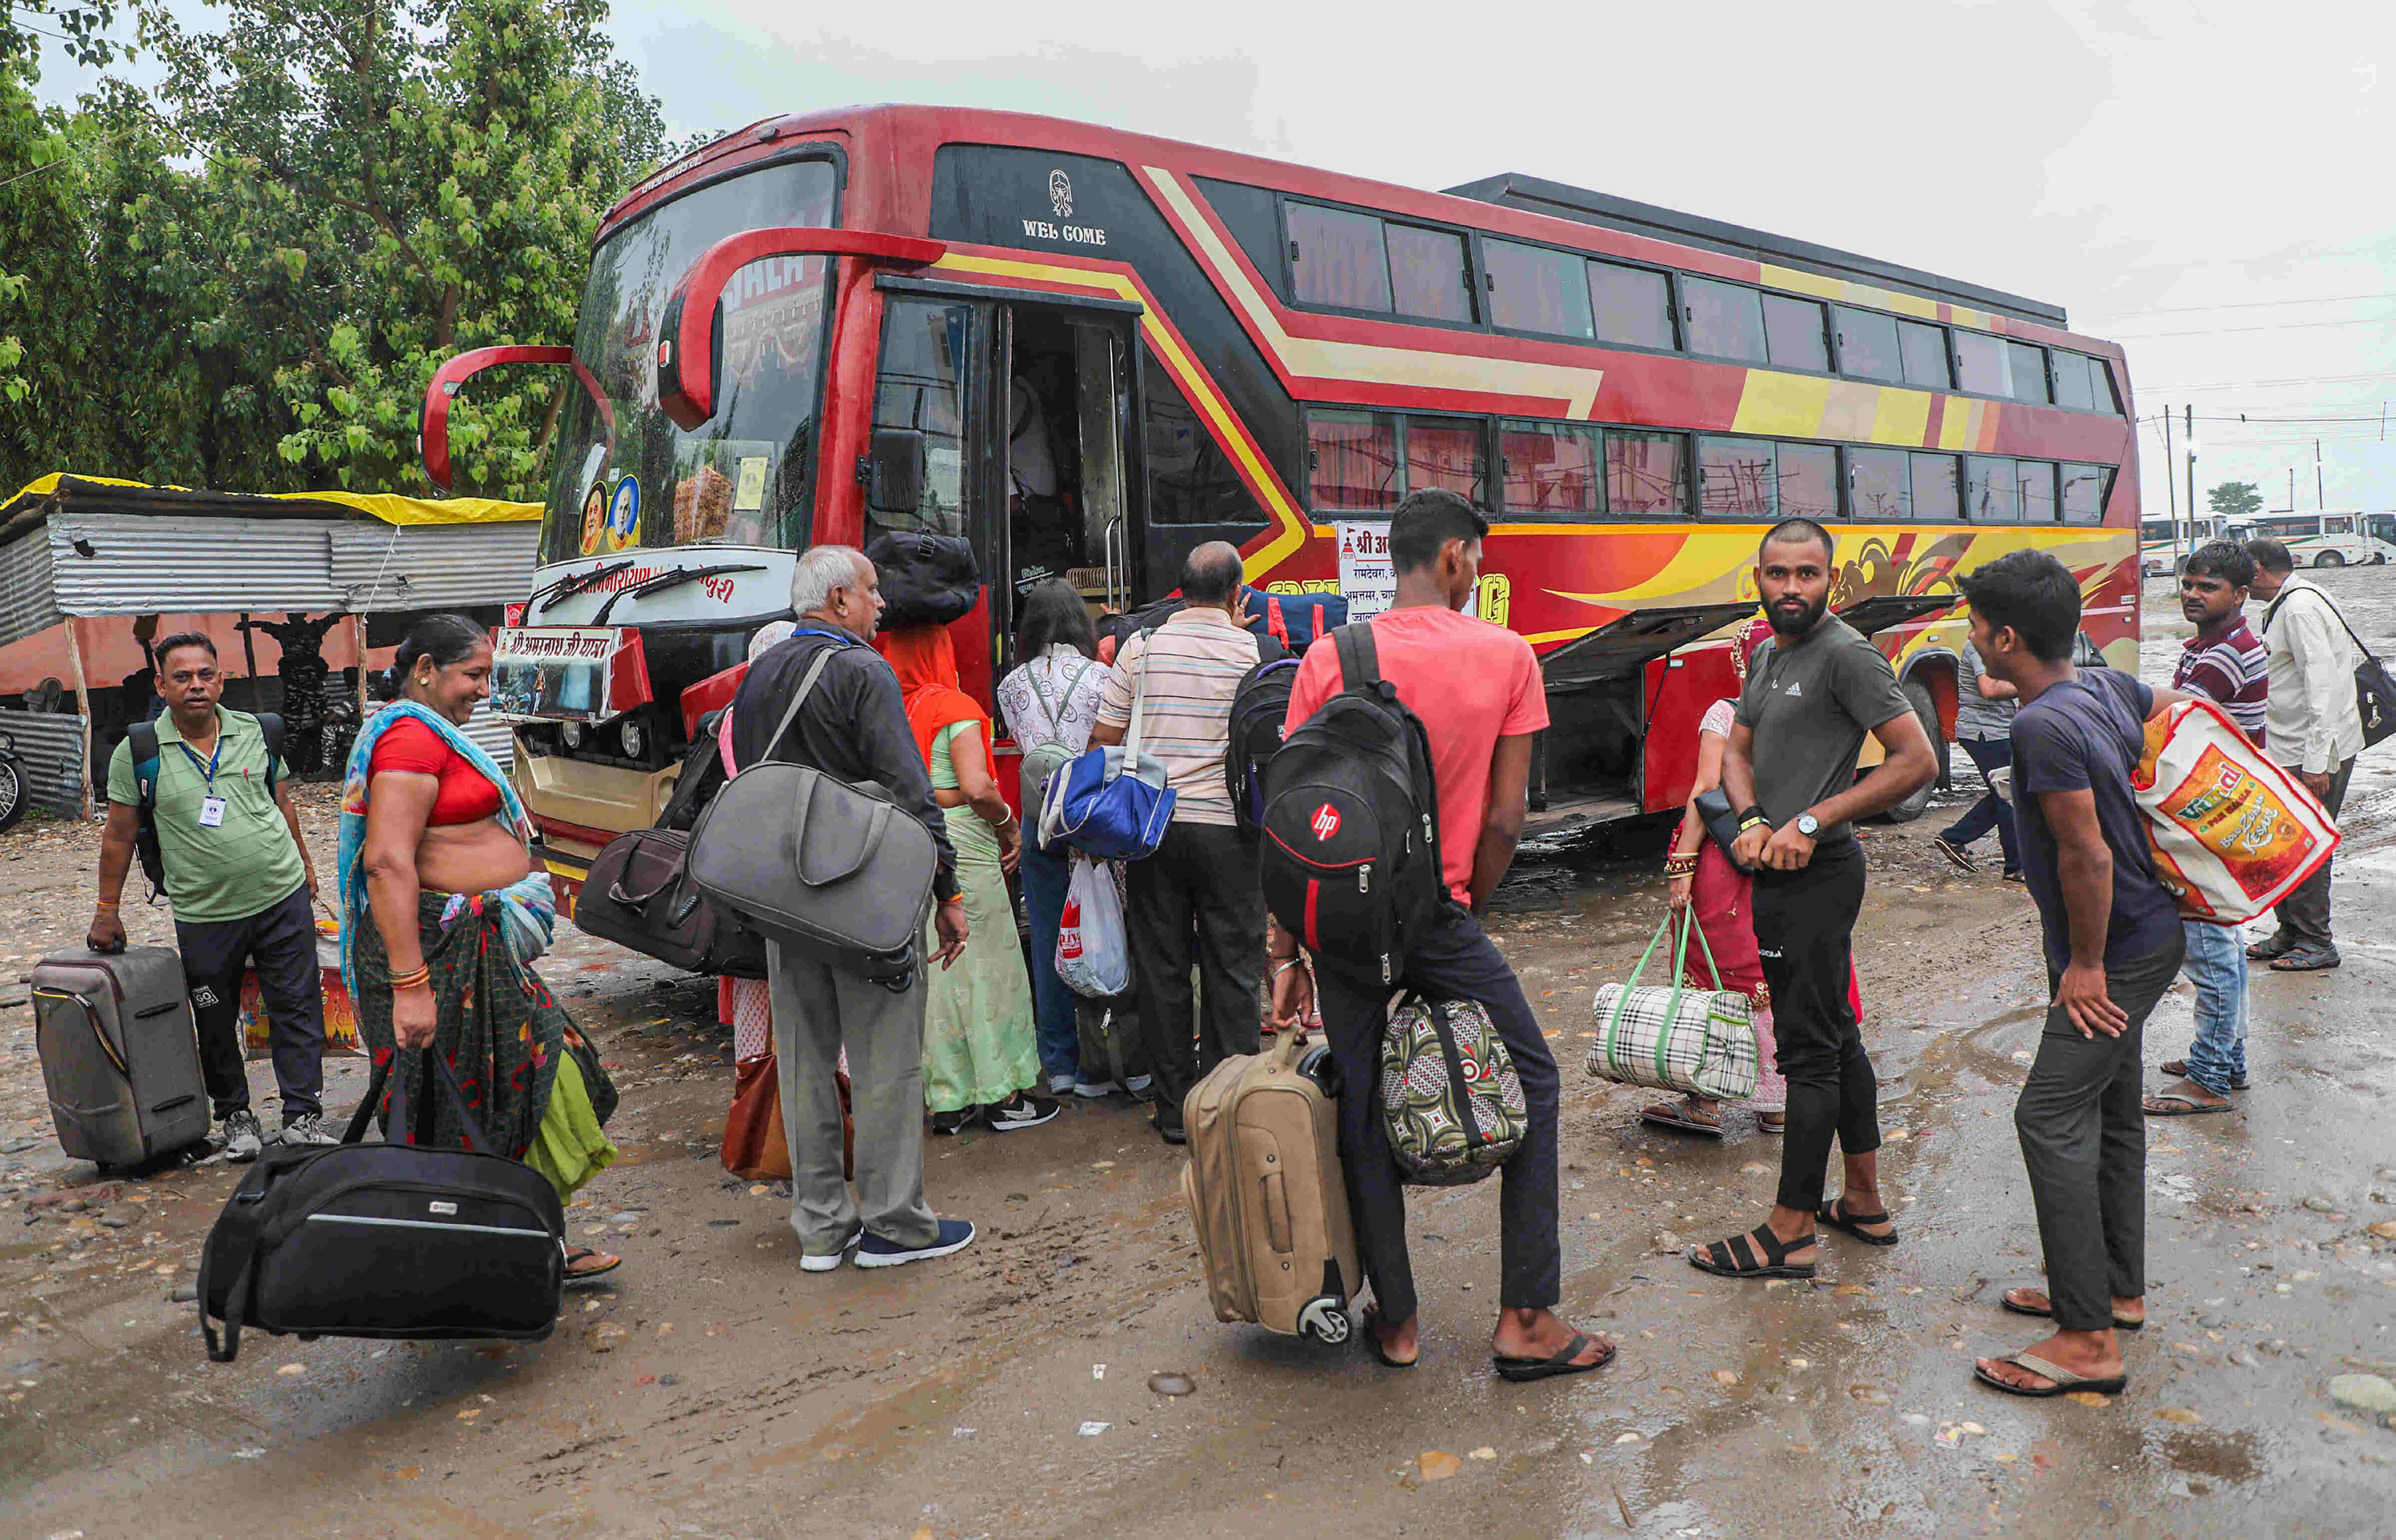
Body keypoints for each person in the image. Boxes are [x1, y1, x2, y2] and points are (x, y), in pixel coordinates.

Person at [1268, 489, 1610, 1379]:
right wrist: (1465, 904)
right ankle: (1527, 1316)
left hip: (1342, 923)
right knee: (1533, 1073)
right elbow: (1504, 820)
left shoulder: (1332, 653)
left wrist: (1286, 948)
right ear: (1455, 557)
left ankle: (1401, 1320)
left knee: (1363, 1096)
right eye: (1479, 562)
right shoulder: (1508, 655)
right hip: (1442, 916)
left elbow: (1298, 818)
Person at [1956, 550, 2188, 1397]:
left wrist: (2086, 966)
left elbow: (2085, 855)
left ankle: (2087, 1340)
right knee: (2110, 1108)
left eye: (1977, 628)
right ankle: (2112, 1292)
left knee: (2047, 1115)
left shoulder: (2044, 727)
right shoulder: (2095, 685)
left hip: (2117, 947)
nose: (1969, 637)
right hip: (2152, 930)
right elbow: (2177, 709)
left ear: (2007, 636)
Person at [1688, 518, 1936, 1282]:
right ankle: (1862, 1200)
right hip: (1777, 868)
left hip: (1821, 874)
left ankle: (1790, 1227)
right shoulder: (1767, 653)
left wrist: (1811, 819)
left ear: (1831, 580)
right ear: (1757, 577)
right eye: (1776, 574)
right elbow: (1735, 747)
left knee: (1809, 1051)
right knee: (1838, 1034)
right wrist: (1757, 817)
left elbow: (1918, 758)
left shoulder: (1846, 655)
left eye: (1806, 574)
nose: (1790, 588)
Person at [342, 613, 619, 1279]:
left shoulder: (431, 734)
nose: (481, 690)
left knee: (532, 1084)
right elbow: (386, 863)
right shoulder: (409, 738)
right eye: (473, 675)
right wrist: (410, 986)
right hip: (439, 958)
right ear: (426, 671)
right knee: (489, 1098)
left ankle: (528, 1245)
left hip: (474, 949)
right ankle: (486, 1261)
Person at [728, 546, 977, 1270]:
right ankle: (895, 1225)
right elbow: (911, 792)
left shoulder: (761, 672)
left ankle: (821, 1228)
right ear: (838, 600)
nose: (881, 606)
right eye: (871, 593)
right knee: (885, 1061)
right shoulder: (865, 671)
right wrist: (948, 892)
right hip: (866, 897)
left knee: (804, 1060)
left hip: (785, 899)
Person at [88, 631, 332, 1162]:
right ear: (161, 683)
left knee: (296, 1004)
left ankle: (303, 1115)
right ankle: (235, 1115)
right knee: (214, 1017)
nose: (195, 685)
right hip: (205, 912)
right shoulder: (140, 751)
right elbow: (119, 835)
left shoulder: (258, 731)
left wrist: (308, 866)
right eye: (182, 676)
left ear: (222, 679)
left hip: (280, 894)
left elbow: (282, 803)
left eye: (205, 674)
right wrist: (107, 910)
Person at [1090, 541, 1274, 1146]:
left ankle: (1174, 1112)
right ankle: (1231, 1107)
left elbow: (1103, 738)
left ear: (1179, 590)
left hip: (1155, 831)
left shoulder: (1140, 648)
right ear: (1234, 595)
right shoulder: (1258, 651)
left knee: (1163, 968)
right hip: (1230, 834)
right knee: (1235, 968)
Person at [879, 619, 1054, 1135]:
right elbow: (978, 786)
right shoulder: (957, 708)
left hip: (913, 843)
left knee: (942, 972)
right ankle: (1004, 1096)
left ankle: (949, 1102)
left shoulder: (892, 712)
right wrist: (1008, 827)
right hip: (967, 850)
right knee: (989, 969)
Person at [995, 579, 1152, 1100]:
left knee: (1048, 937)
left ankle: (1059, 1062)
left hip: (1042, 824)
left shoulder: (1011, 685)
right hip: (1095, 825)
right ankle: (1112, 1060)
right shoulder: (1103, 677)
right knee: (1107, 930)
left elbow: (1025, 743)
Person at [1648, 617, 1791, 1136]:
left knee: (1710, 974)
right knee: (1768, 977)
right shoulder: (1808, 714)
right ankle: (1776, 1101)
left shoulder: (1726, 713)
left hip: (1726, 861)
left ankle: (1705, 1099)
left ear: (1740, 663)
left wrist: (1682, 865)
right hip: (1783, 857)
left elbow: (1707, 791)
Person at [2146, 541, 2267, 1117]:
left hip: (2212, 815)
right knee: (2225, 944)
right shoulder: (2211, 645)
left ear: (2240, 595)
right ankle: (2227, 1058)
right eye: (2189, 583)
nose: (2193, 593)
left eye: (2208, 587)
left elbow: (2177, 718)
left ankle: (2211, 1076)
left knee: (2209, 945)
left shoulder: (2225, 654)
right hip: (2221, 808)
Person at [2243, 537, 2362, 972]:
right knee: (2284, 844)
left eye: (2243, 576)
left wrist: (2315, 761)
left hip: (2312, 750)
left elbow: (2322, 684)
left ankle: (2316, 941)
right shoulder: (2290, 600)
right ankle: (2291, 932)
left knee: (2305, 845)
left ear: (2257, 569)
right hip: (2293, 744)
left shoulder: (2299, 608)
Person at [1931, 636, 2024, 880]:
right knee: (2009, 794)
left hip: (2002, 730)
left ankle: (1954, 838)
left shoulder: (2008, 641)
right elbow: (1989, 689)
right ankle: (2015, 867)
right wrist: (2033, 683)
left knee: (2007, 792)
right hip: (1985, 733)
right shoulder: (1979, 645)